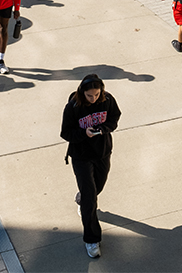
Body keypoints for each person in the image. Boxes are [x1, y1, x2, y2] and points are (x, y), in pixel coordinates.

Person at [60, 74, 122, 260]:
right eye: (89, 95)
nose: (93, 98)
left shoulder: (108, 100)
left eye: (96, 94)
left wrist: (103, 129)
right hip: (81, 156)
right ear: (82, 92)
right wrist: (83, 133)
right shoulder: (73, 106)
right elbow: (66, 133)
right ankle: (92, 239)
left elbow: (114, 118)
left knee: (97, 187)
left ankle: (83, 199)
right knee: (90, 197)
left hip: (102, 152)